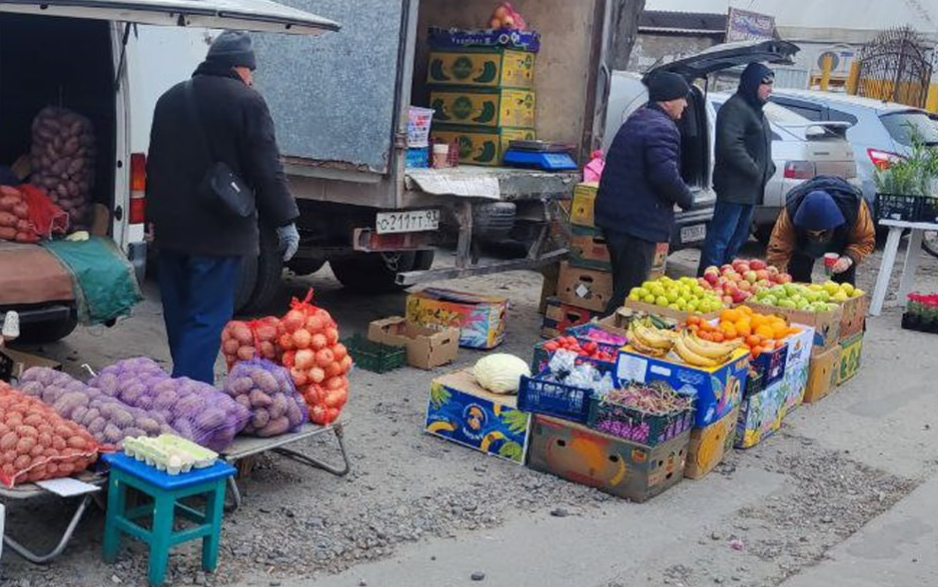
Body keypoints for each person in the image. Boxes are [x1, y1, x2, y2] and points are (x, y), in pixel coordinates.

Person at [147, 30, 301, 383]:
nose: (252, 78)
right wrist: (285, 220)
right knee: (208, 314)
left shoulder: (169, 98)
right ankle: (191, 392)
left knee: (179, 310)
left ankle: (184, 378)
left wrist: (153, 218)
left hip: (172, 229)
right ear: (239, 67)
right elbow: (267, 168)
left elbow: (154, 163)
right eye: (251, 71)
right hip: (218, 230)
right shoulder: (248, 101)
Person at [594, 71, 694, 316]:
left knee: (623, 284)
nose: (686, 104)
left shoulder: (640, 118)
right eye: (683, 98)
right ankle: (604, 336)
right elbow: (664, 175)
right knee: (629, 293)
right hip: (636, 223)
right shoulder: (662, 128)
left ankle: (608, 333)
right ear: (669, 100)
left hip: (618, 217)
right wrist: (686, 198)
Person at [698, 63, 776, 274]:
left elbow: (762, 145)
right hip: (734, 188)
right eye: (765, 83)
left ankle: (724, 277)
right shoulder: (736, 108)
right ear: (752, 84)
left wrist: (770, 168)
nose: (770, 89)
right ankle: (707, 278)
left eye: (771, 84)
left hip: (749, 190)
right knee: (721, 238)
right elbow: (730, 146)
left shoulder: (756, 110)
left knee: (738, 239)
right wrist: (756, 170)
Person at [766, 176, 875, 285]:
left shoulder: (854, 207)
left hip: (842, 236)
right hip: (802, 242)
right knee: (797, 276)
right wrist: (776, 276)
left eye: (821, 232)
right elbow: (779, 246)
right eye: (811, 232)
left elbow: (864, 240)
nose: (817, 236)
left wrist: (848, 259)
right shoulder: (791, 211)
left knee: (843, 282)